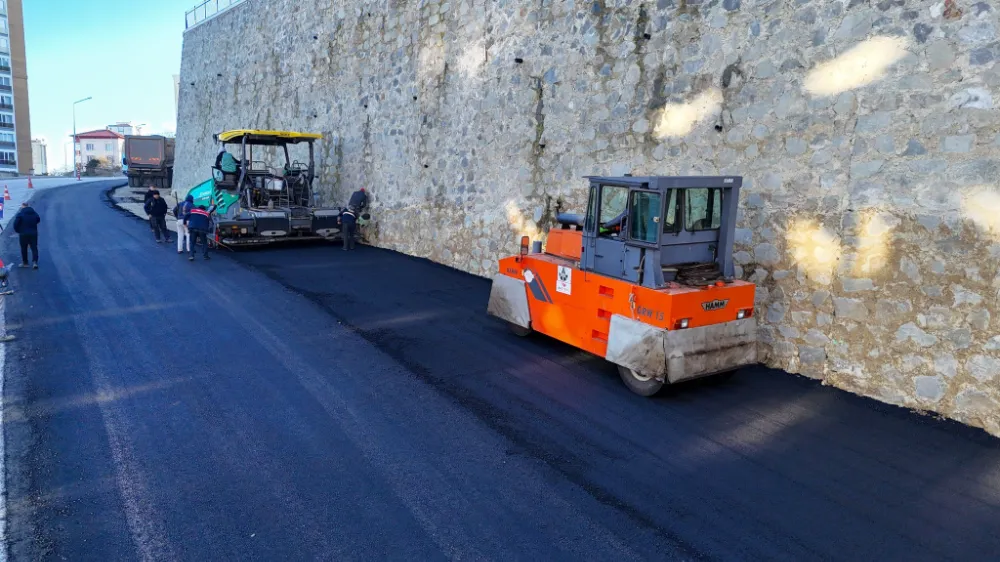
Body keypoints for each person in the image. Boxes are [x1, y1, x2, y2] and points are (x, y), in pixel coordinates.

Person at [12, 201, 40, 269]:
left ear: (22, 206)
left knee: (24, 248)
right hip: (33, 233)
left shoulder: (20, 214)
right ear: (28, 206)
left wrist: (18, 230)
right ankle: (35, 262)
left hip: (23, 233)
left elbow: (15, 224)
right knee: (34, 247)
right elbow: (38, 219)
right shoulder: (34, 213)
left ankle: (25, 263)